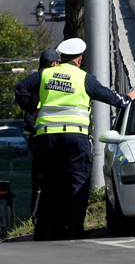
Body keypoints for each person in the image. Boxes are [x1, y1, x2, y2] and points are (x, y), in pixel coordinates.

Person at [15, 38, 135, 240]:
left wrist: (32, 110)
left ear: (61, 58)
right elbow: (113, 99)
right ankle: (75, 230)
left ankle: (53, 230)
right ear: (80, 59)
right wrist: (128, 97)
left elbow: (20, 89)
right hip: (75, 137)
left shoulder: (45, 74)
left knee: (50, 184)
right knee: (77, 183)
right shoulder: (84, 78)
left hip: (46, 138)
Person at [23, 48, 61, 241]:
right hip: (52, 139)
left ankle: (42, 225)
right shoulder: (55, 83)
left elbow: (28, 116)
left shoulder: (34, 83)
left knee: (41, 185)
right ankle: (52, 225)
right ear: (55, 64)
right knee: (54, 182)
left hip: (40, 140)